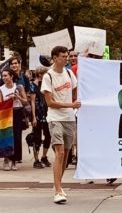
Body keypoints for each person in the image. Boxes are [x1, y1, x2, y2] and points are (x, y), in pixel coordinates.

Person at [40, 46, 79, 204]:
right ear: (55, 58)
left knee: (67, 154)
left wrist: (73, 105)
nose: (67, 58)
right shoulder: (48, 76)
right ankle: (57, 190)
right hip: (55, 118)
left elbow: (75, 91)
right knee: (60, 152)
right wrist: (71, 105)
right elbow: (50, 103)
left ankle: (59, 185)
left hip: (69, 118)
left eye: (67, 55)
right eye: (63, 56)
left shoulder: (69, 73)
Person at [0, 68, 29, 171]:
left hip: (17, 112)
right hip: (6, 114)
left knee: (17, 137)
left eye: (6, 75)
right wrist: (8, 101)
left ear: (11, 76)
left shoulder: (18, 87)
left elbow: (25, 102)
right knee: (7, 137)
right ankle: (6, 159)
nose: (4, 78)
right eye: (3, 76)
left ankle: (14, 160)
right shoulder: (0, 89)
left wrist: (18, 97)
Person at [31, 67, 52, 169]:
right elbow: (33, 102)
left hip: (48, 113)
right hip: (38, 114)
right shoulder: (34, 85)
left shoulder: (47, 84)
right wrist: (34, 117)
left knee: (48, 135)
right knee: (37, 137)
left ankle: (44, 156)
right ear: (40, 75)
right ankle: (36, 159)